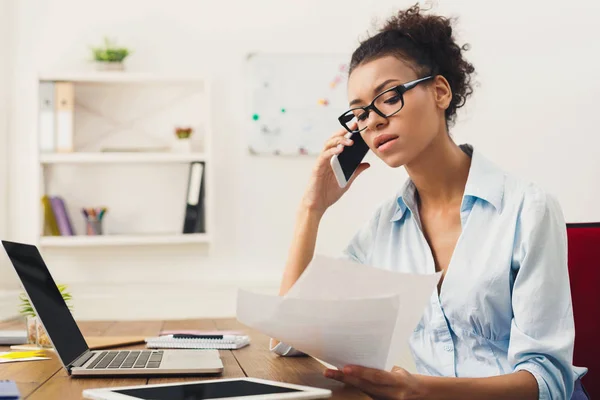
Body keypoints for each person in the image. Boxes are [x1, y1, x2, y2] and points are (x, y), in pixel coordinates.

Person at [270, 4, 589, 400]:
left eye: (388, 97)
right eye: (359, 113)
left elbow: (548, 383)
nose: (374, 122)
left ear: (439, 91)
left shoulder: (528, 208)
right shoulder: (385, 227)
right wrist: (311, 209)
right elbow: (289, 337)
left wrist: (421, 391)